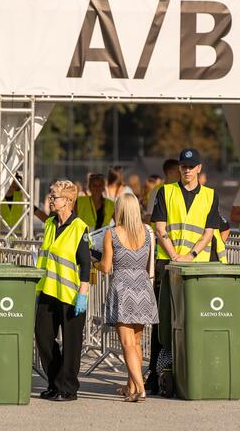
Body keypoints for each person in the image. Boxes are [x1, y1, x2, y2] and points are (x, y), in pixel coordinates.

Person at [145, 148, 227, 394]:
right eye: (183, 167)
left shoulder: (211, 196)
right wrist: (175, 256)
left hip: (196, 266)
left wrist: (189, 256)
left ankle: (192, 370)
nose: (187, 170)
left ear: (199, 168)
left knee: (193, 320)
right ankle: (155, 372)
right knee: (162, 322)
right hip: (168, 263)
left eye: (191, 167)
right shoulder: (166, 191)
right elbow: (160, 228)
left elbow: (209, 232)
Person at [95, 194, 158, 402]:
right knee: (137, 343)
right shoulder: (147, 233)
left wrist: (93, 262)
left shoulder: (112, 233)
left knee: (127, 343)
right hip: (142, 286)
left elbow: (105, 266)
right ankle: (130, 387)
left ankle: (140, 388)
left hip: (123, 287)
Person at [35, 180, 91, 402]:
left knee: (71, 344)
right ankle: (54, 382)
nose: (50, 199)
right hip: (48, 290)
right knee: (43, 337)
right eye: (50, 195)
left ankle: (68, 388)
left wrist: (83, 293)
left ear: (68, 201)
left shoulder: (79, 227)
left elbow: (85, 263)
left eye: (54, 196)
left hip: (70, 295)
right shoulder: (50, 224)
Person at [144, 159, 179, 225]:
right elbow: (149, 216)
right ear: (170, 173)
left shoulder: (180, 189)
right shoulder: (156, 191)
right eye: (178, 171)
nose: (181, 174)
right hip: (159, 233)